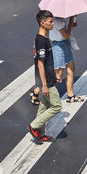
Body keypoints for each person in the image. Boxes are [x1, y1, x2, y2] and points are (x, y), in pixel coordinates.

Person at [29, 10, 62, 144]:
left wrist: (55, 76)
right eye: (50, 22)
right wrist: (44, 85)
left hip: (48, 78)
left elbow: (48, 62)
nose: (52, 24)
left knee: (43, 106)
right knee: (56, 106)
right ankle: (34, 126)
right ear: (42, 23)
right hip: (45, 81)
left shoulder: (43, 39)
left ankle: (40, 134)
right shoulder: (41, 41)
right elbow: (41, 64)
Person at [49, 16, 84, 103]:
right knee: (58, 75)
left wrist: (71, 21)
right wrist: (71, 22)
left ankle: (70, 95)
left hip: (65, 44)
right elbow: (65, 35)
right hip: (58, 47)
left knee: (71, 68)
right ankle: (37, 91)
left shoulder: (61, 19)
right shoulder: (56, 21)